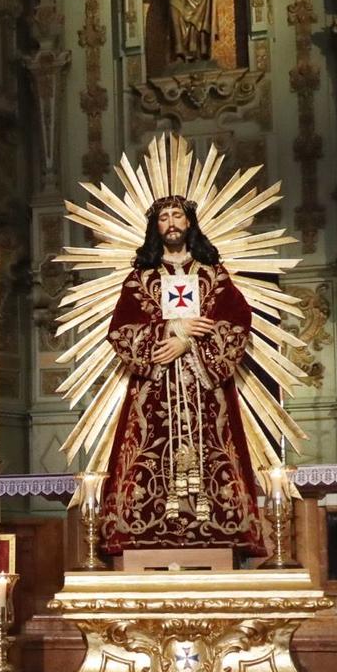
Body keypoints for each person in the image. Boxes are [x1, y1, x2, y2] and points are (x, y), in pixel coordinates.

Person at [99, 195, 261, 554]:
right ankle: (142, 531)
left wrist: (188, 343)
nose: (171, 223)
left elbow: (238, 323)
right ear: (155, 227)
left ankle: (219, 532)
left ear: (189, 223)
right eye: (163, 218)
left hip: (205, 391)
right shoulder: (140, 279)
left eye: (177, 216)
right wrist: (168, 329)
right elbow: (120, 330)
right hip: (154, 390)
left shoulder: (212, 274)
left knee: (214, 453)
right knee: (146, 453)